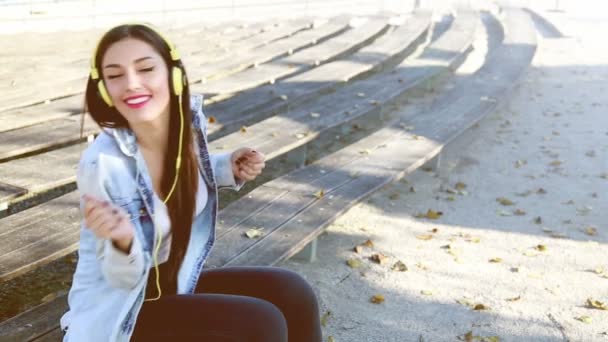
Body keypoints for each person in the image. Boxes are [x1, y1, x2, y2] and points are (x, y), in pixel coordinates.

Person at [60, 23, 322, 341]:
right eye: (115, 75)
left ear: (172, 75)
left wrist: (226, 167)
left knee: (292, 291)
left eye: (145, 69)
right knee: (261, 323)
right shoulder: (103, 164)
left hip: (176, 285)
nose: (131, 84)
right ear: (103, 89)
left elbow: (172, 176)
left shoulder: (185, 126)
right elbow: (120, 278)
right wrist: (123, 242)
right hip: (122, 316)